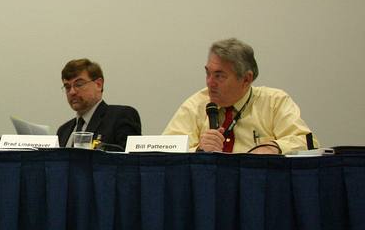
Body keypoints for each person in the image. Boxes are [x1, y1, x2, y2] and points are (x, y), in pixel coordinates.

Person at [163, 38, 317, 154]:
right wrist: (198, 150)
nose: (210, 82)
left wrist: (274, 147)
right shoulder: (195, 105)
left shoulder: (274, 102)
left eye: (219, 76)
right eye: (208, 73)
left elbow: (308, 142)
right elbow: (164, 153)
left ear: (246, 79)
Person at [56, 58, 141, 150]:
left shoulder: (121, 117)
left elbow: (129, 157)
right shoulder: (63, 131)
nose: (72, 92)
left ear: (98, 84)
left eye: (79, 84)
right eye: (67, 87)